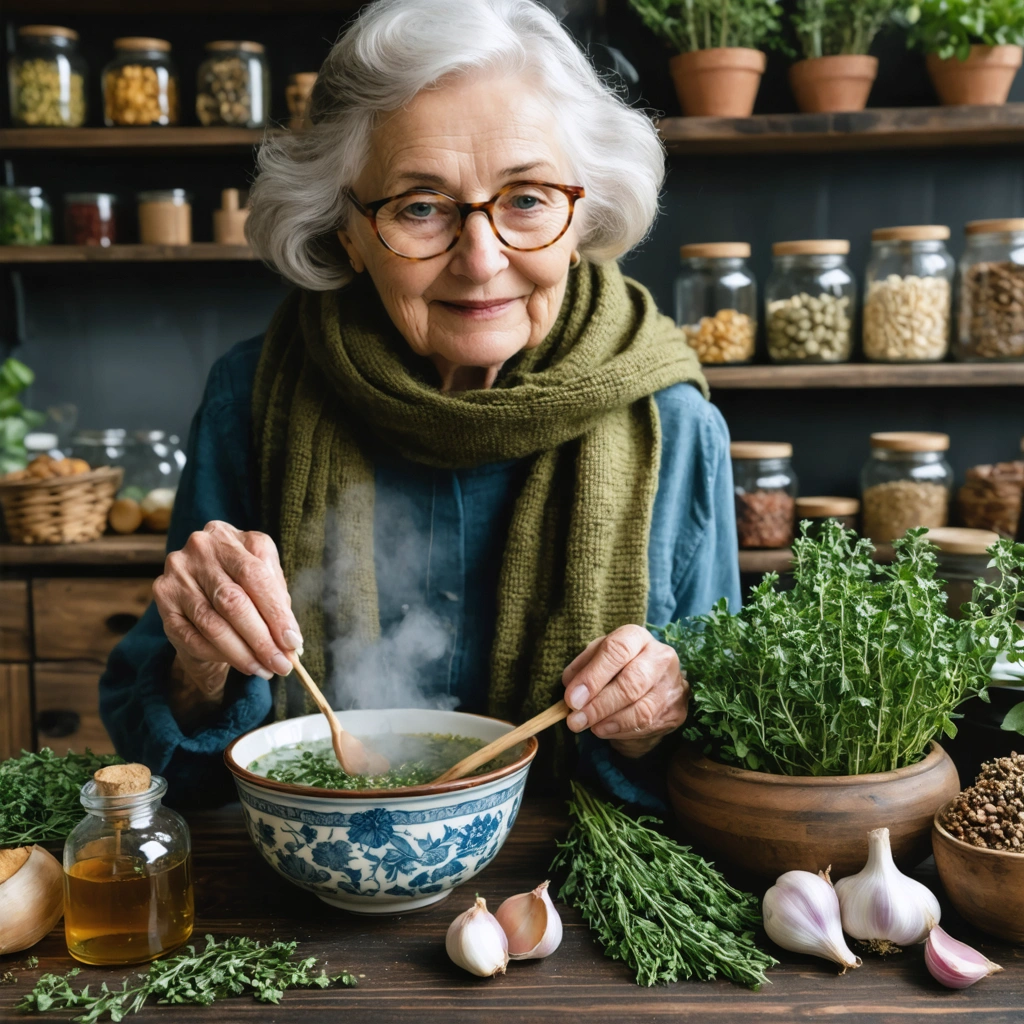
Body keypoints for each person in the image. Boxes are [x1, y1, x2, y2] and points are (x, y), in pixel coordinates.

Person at [99, 0, 739, 807]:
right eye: (421, 207)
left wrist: (662, 713)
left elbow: (725, 749)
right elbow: (161, 765)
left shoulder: (673, 424)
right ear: (347, 235)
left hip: (572, 903)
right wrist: (200, 662)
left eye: (529, 198)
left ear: (585, 215)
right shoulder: (251, 397)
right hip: (307, 890)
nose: (481, 260)